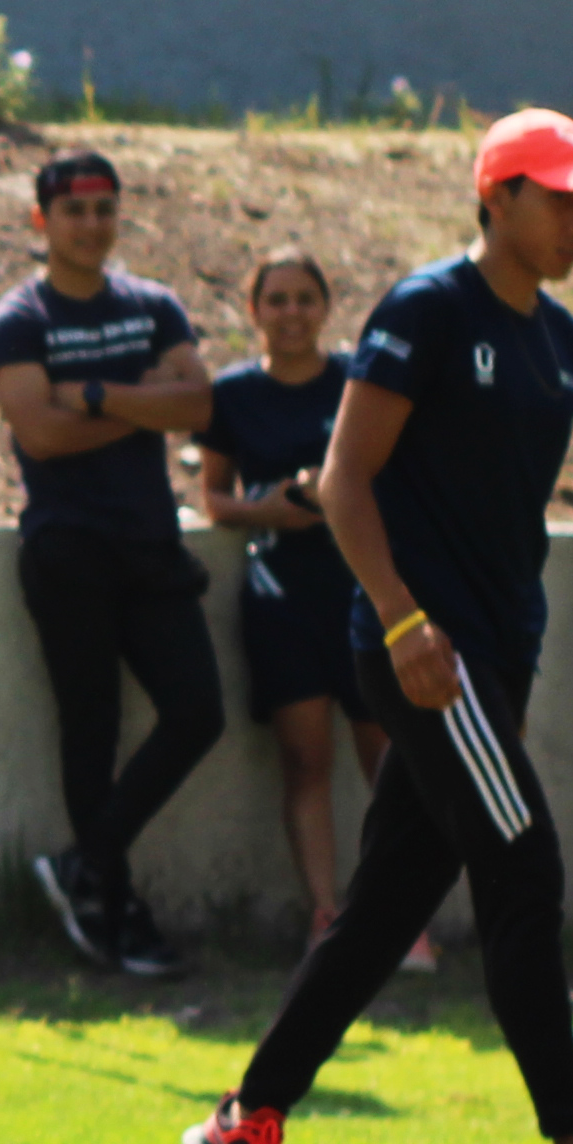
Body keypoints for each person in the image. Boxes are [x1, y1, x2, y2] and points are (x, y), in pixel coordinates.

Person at [182, 111, 573, 1144]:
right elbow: (345, 479)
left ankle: (247, 1120)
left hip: (495, 660)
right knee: (527, 870)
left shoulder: (558, 339)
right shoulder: (426, 308)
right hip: (430, 656)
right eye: (558, 197)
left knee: (381, 910)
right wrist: (405, 621)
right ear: (495, 195)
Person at [0, 148, 221, 976]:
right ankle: (109, 911)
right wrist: (136, 400)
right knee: (92, 731)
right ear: (41, 220)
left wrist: (89, 393)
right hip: (67, 547)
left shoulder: (154, 307)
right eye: (75, 211)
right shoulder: (18, 320)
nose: (92, 225)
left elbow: (198, 404)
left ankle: (85, 866)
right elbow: (37, 433)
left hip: (151, 545)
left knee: (198, 711)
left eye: (105, 209)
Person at [194, 247, 369, 944]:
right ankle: (326, 912)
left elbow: (394, 475)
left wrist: (335, 498)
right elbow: (212, 498)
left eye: (305, 299)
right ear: (253, 310)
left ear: (326, 307)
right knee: (305, 759)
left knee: (386, 756)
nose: (291, 314)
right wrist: (271, 510)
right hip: (281, 599)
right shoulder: (233, 393)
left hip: (364, 590)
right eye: (277, 300)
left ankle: (393, 917)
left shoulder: (360, 382)